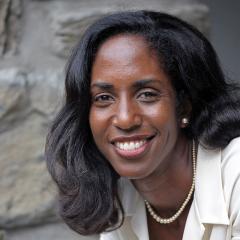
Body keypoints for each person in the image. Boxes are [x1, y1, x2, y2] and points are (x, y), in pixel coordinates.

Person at [45, 11, 240, 240]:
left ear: (184, 106)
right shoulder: (121, 196)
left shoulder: (235, 172)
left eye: (147, 94)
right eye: (104, 98)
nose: (125, 119)